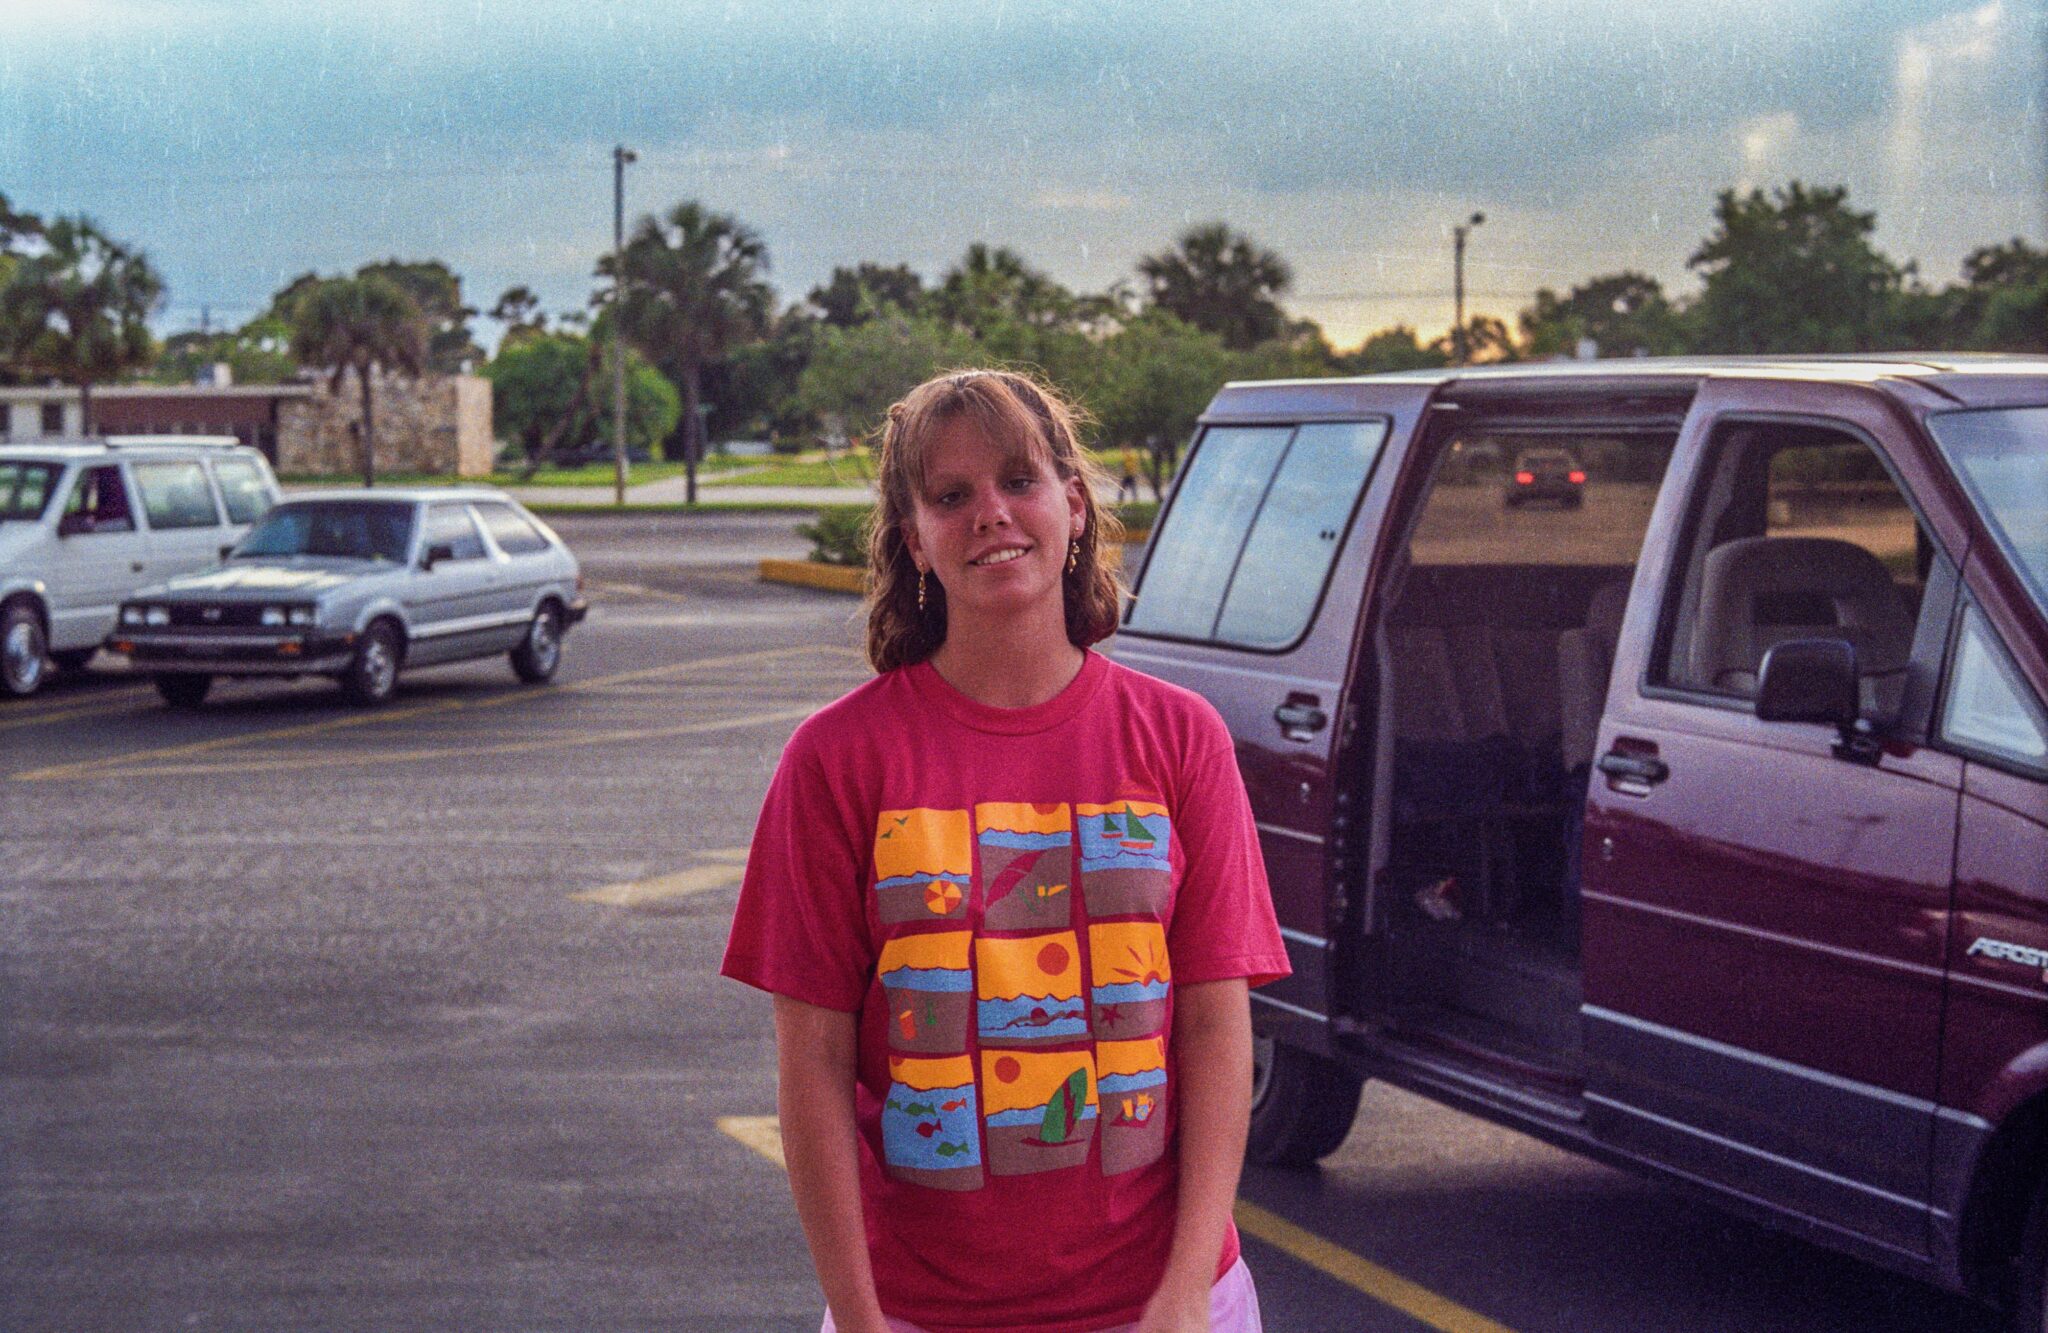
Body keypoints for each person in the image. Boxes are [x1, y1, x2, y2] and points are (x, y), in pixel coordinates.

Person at [722, 369, 1288, 1333]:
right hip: (915, 1312)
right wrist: (858, 1317)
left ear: (1074, 505)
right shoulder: (836, 758)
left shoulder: (1179, 737)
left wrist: (1186, 1290)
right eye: (950, 495)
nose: (990, 512)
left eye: (1018, 480)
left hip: (1164, 1306)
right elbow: (812, 1063)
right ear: (915, 539)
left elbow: (1212, 1026)